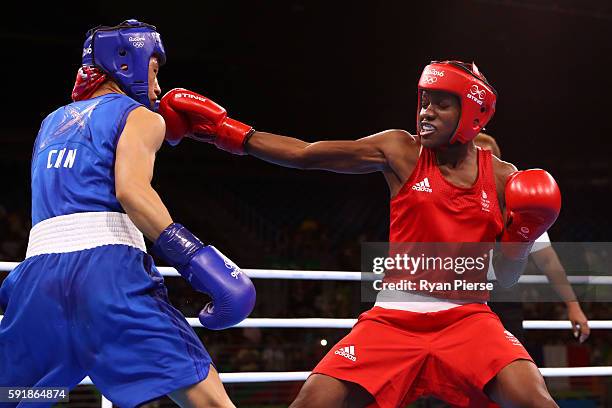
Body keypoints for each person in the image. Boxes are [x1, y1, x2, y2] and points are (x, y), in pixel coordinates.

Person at [159, 61, 562, 407]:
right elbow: (306, 153)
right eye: (424, 101)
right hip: (392, 321)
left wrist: (523, 234)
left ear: (473, 111)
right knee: (313, 400)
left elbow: (506, 278)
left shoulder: (504, 179)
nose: (426, 112)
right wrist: (228, 132)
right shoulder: (401, 151)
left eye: (441, 104)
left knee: (534, 399)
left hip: (468, 319)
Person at [0, 20, 255, 408]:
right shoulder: (139, 117)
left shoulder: (50, 124)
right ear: (126, 63)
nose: (156, 88)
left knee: (24, 395)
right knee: (209, 402)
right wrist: (198, 259)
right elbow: (131, 190)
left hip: (37, 282)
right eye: (154, 72)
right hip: (108, 276)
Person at [474, 133, 590, 344]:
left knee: (511, 367)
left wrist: (573, 305)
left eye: (487, 158)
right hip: (457, 294)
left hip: (503, 298)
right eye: (476, 157)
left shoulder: (520, 208)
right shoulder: (449, 201)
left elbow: (548, 261)